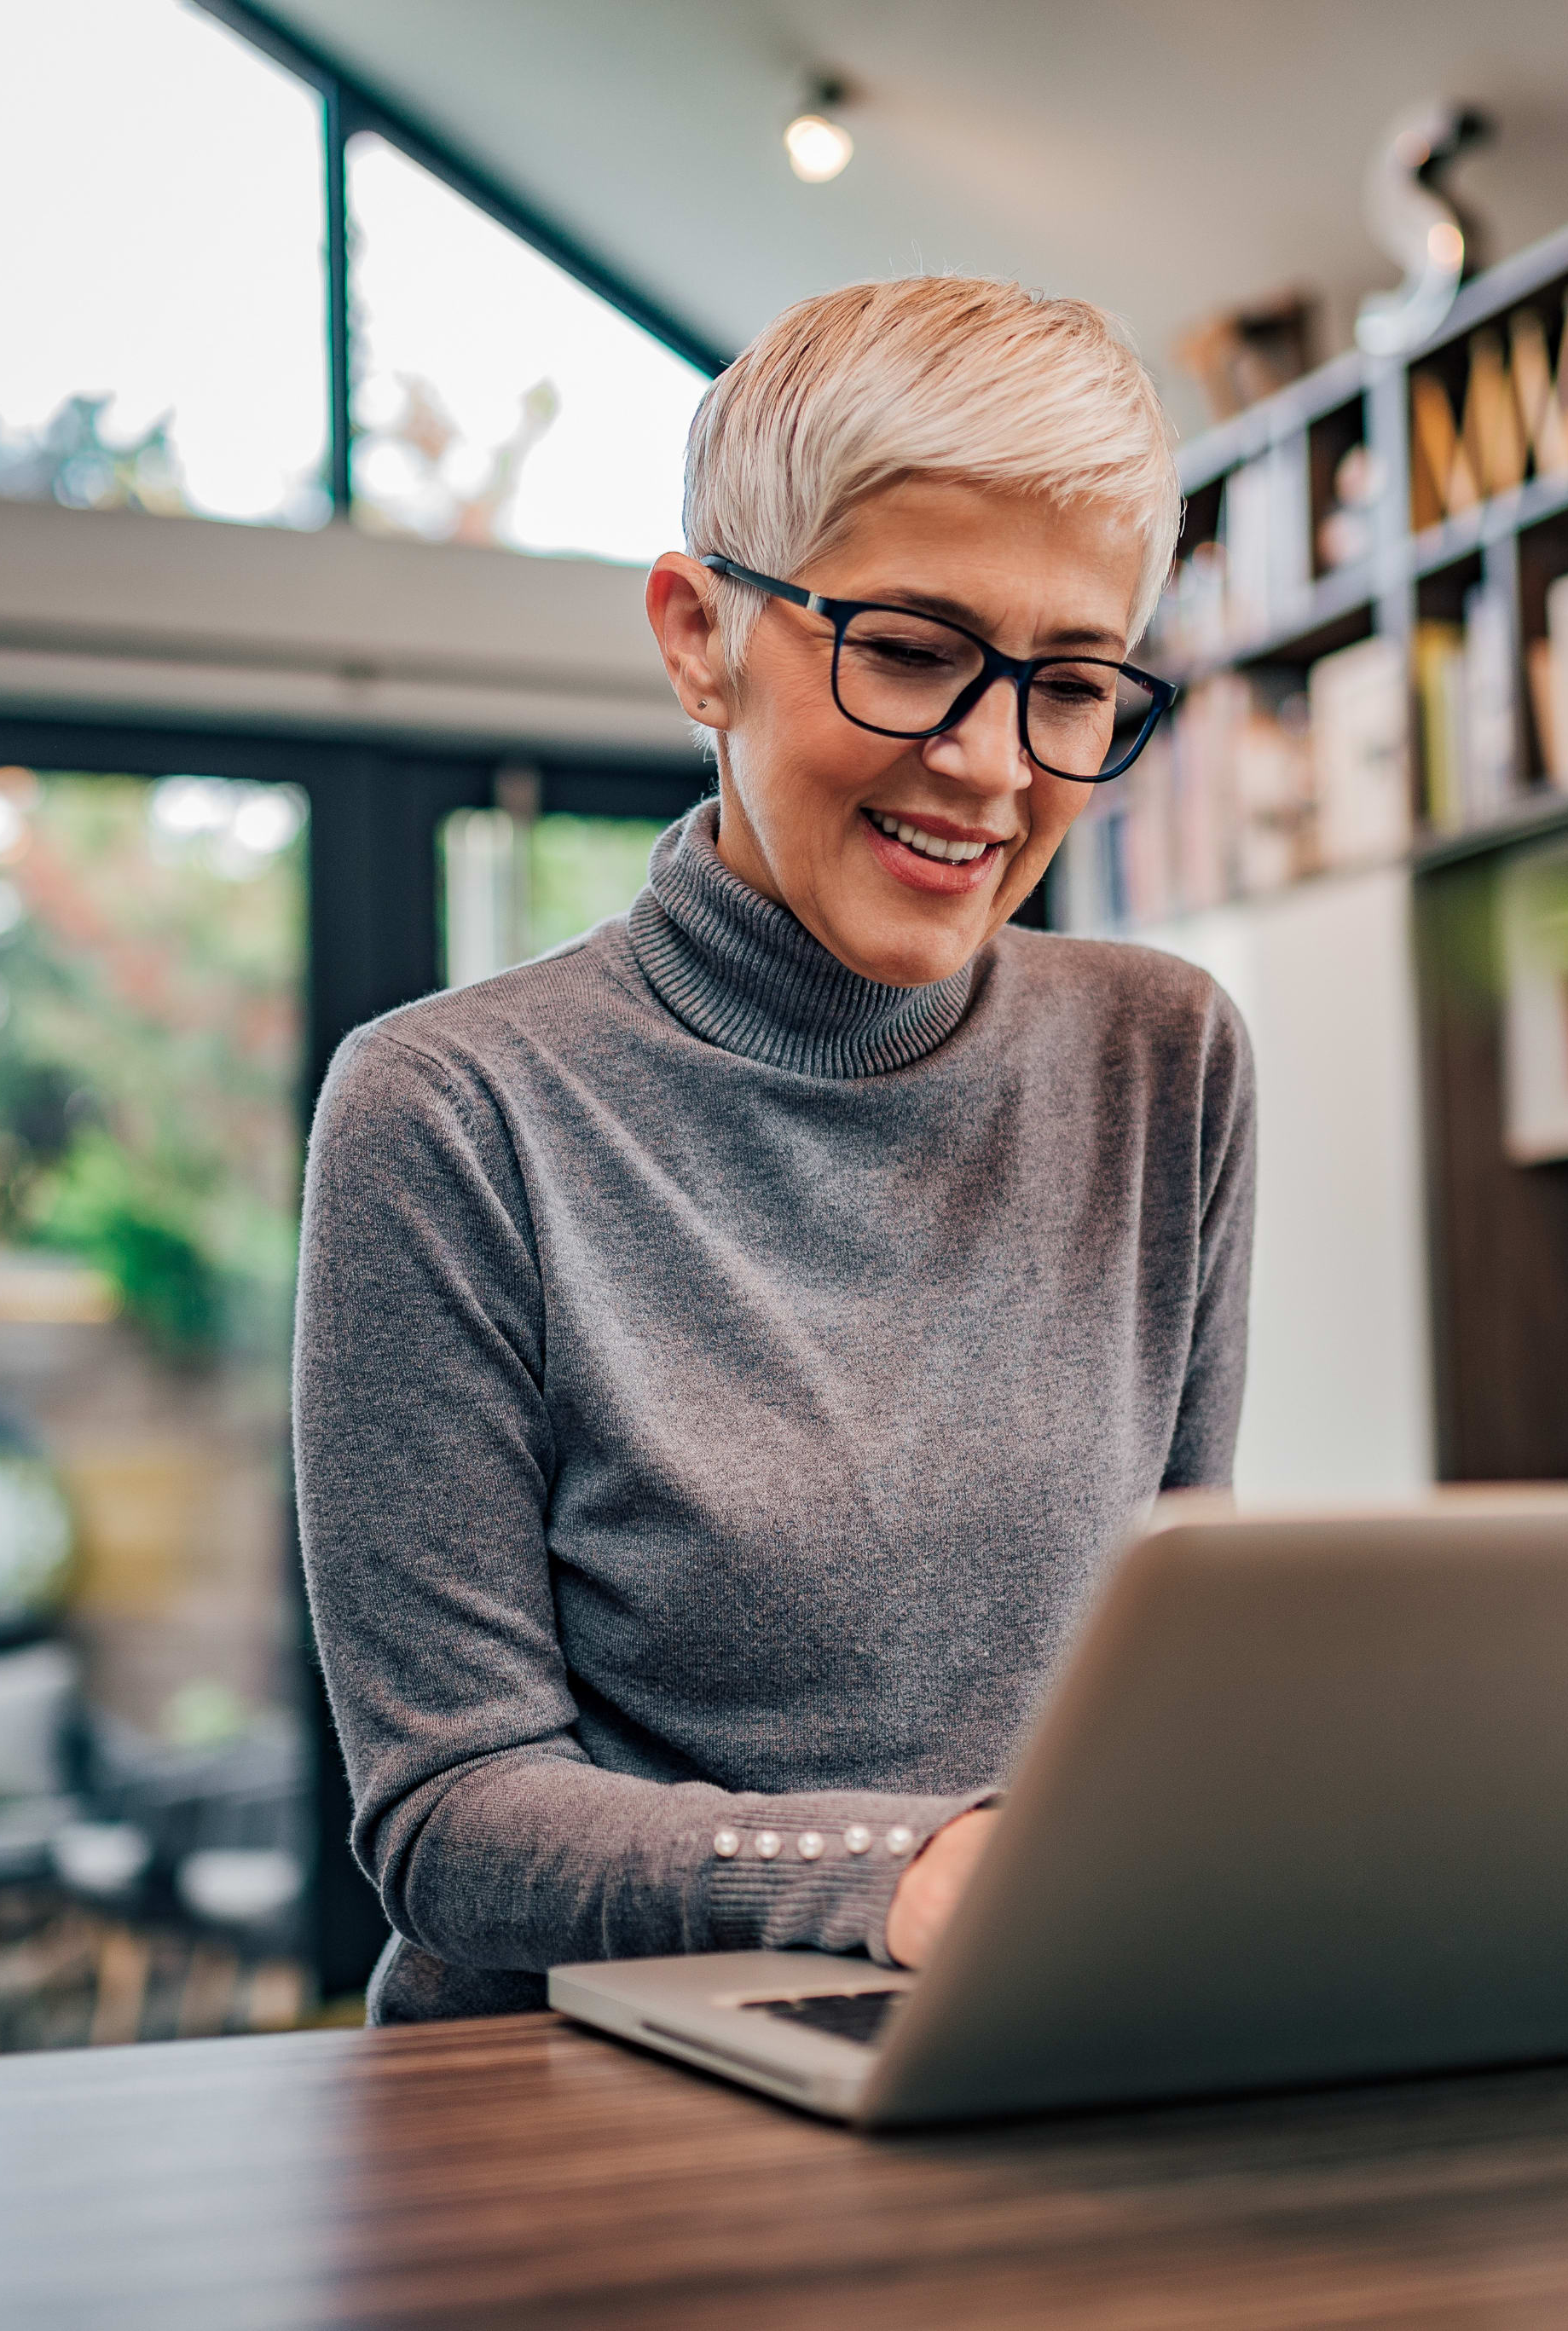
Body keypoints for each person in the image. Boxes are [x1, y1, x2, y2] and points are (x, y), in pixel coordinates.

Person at [296, 275, 1256, 2023]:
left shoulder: (1159, 1057)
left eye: (1069, 684)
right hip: (566, 2111)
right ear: (695, 636)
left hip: (1021, 2044)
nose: (986, 766)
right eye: (905, 652)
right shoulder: (448, 1111)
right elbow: (449, 1818)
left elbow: (1172, 1679)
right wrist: (892, 1876)